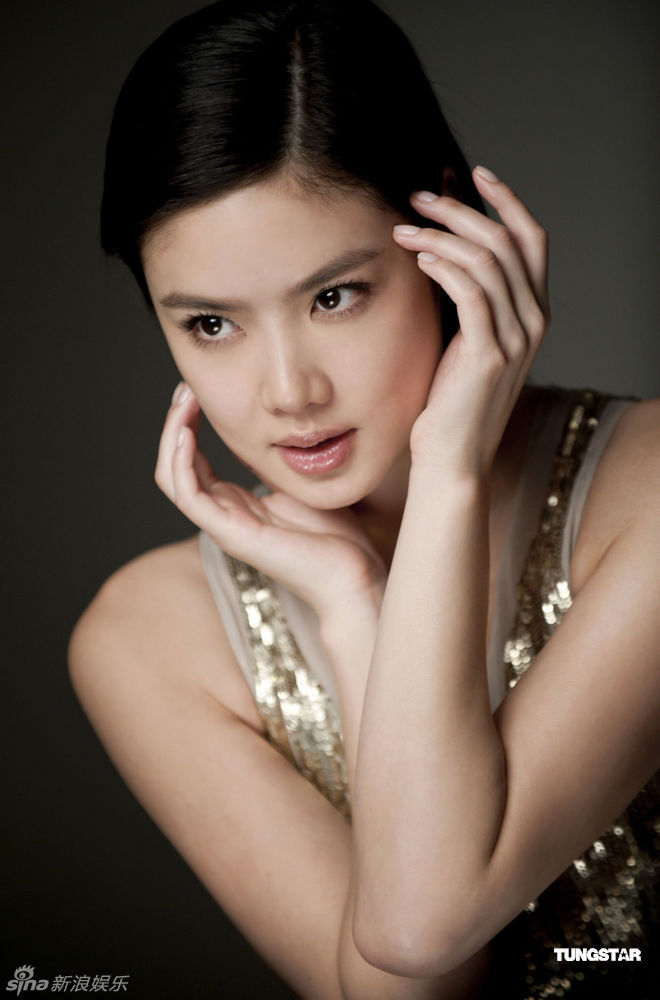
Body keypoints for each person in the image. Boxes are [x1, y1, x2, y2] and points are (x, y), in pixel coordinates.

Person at [68, 1, 660, 997]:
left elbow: (422, 917)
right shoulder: (146, 636)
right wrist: (353, 606)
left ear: (448, 235)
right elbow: (409, 980)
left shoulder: (649, 495)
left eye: (333, 295)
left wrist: (448, 471)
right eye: (211, 323)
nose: (288, 392)